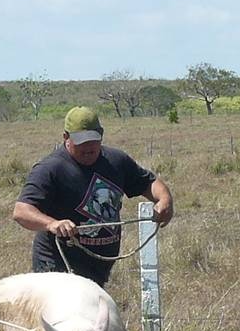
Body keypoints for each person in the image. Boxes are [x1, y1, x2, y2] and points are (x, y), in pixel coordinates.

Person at [13, 106, 174, 287]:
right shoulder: (51, 168)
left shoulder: (116, 161)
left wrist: (165, 199)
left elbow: (149, 183)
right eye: (80, 141)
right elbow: (21, 211)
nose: (88, 148)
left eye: (93, 140)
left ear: (101, 134)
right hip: (58, 265)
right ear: (66, 137)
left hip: (97, 266)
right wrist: (52, 224)